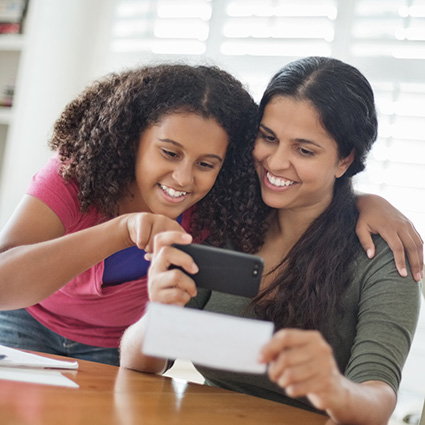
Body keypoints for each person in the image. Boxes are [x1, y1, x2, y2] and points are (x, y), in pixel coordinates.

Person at [0, 63, 421, 367]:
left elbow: (301, 186)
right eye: (169, 152)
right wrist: (123, 230)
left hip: (118, 348)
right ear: (132, 139)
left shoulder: (222, 197)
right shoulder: (81, 172)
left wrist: (364, 201)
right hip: (27, 322)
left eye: (206, 162)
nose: (183, 178)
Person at [120, 57, 422, 425]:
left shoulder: (383, 259)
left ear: (344, 160)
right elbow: (140, 365)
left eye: (304, 150)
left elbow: (378, 399)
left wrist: (334, 388)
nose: (276, 162)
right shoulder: (229, 224)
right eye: (268, 138)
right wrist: (159, 312)